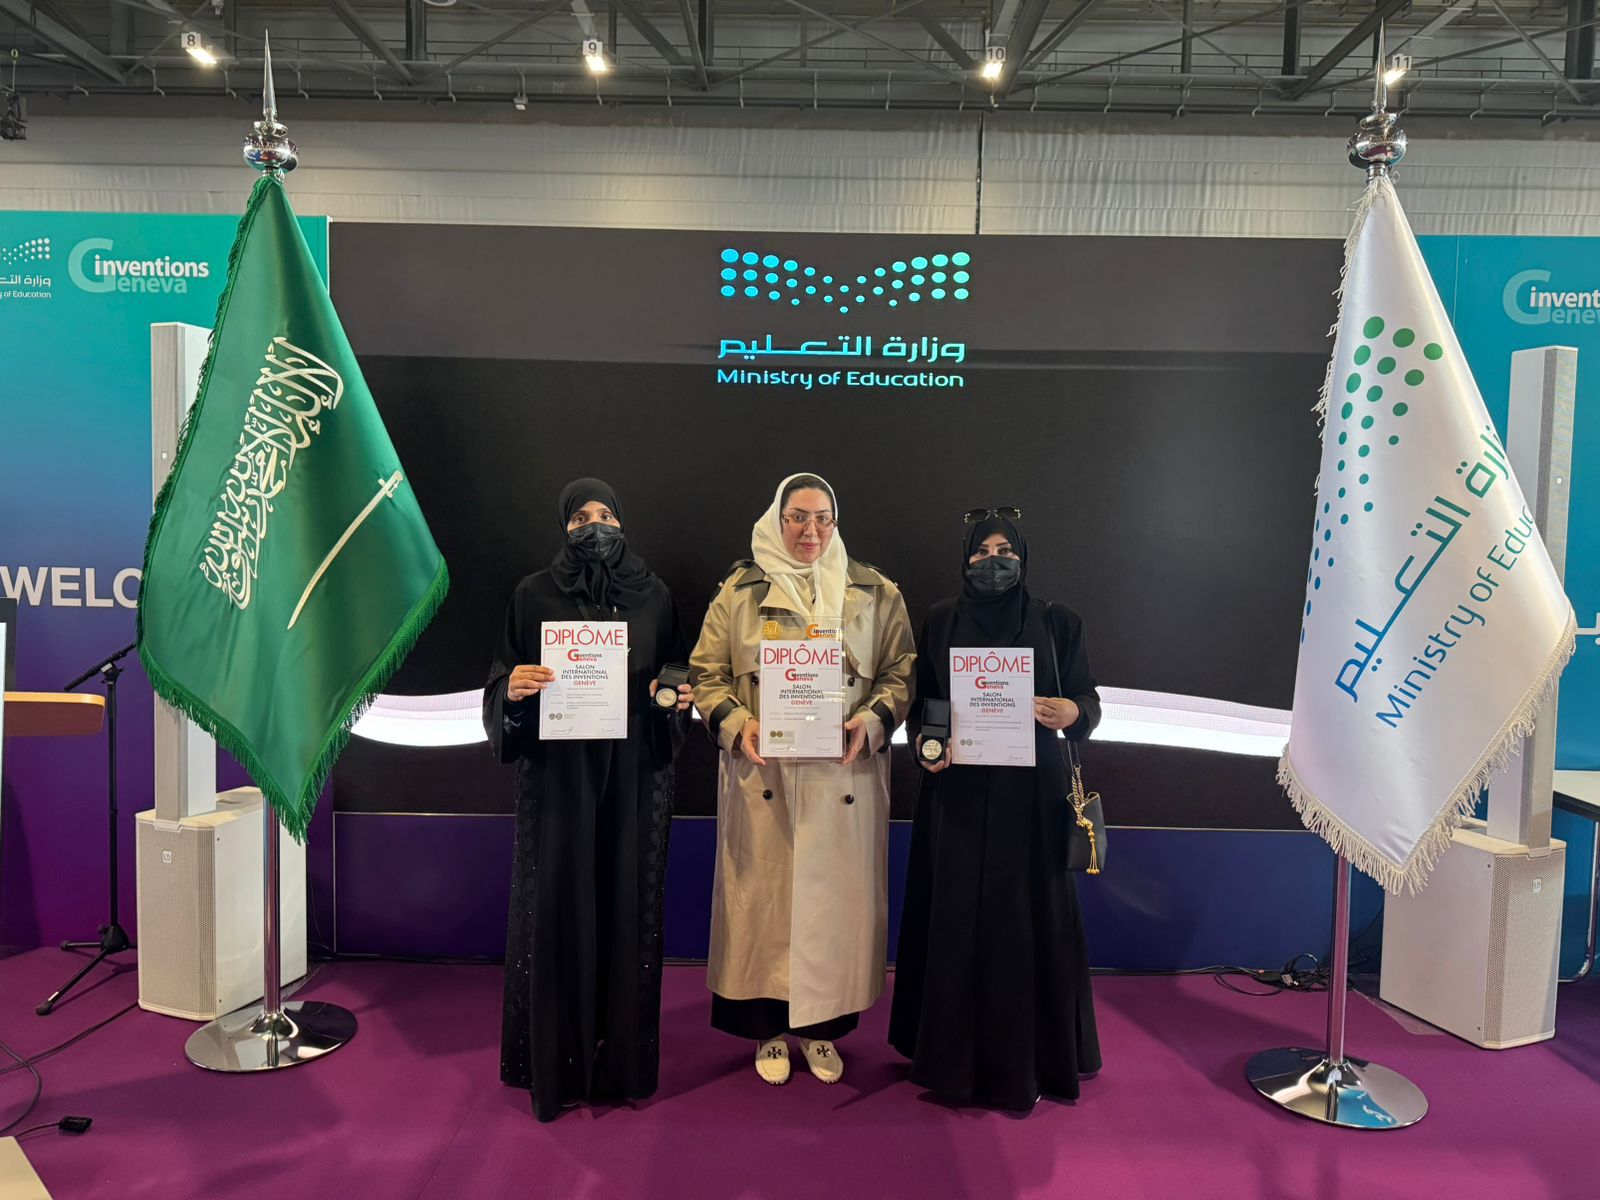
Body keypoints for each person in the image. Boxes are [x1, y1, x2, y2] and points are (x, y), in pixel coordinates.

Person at [690, 472, 915, 1087]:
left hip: (843, 777)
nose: (810, 530)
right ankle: (767, 1030)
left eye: (821, 518)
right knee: (764, 908)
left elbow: (900, 670)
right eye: (797, 517)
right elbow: (706, 673)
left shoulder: (875, 591)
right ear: (778, 519)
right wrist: (737, 722)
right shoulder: (739, 590)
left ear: (834, 523)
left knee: (831, 911)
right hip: (764, 775)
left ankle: (821, 1031)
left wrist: (872, 720)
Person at [483, 477, 693, 1122]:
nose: (594, 526)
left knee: (628, 906)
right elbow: (502, 679)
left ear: (623, 522)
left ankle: (621, 1062)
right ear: (564, 527)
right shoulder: (533, 594)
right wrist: (512, 690)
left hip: (633, 781)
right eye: (580, 517)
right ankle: (556, 1061)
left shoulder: (654, 595)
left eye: (605, 515)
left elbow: (676, 674)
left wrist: (673, 699)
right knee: (558, 906)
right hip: (560, 780)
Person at [888, 509, 1103, 1112]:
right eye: (981, 551)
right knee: (955, 922)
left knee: (1027, 922)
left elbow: (1087, 699)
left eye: (1005, 550)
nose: (993, 561)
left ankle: (1032, 1061)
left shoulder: (1058, 622)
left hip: (1032, 804)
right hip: (956, 797)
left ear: (1023, 557)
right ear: (965, 558)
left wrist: (1073, 713)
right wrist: (926, 746)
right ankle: (950, 1061)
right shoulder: (939, 619)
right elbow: (925, 706)